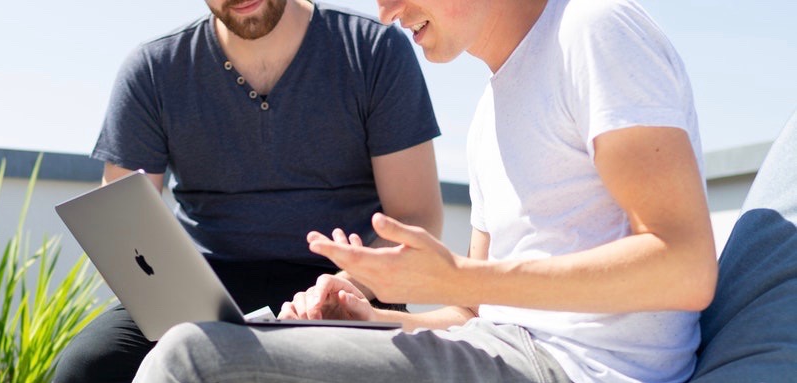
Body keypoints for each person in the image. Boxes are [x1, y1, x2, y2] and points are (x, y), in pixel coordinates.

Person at [135, 0, 718, 382]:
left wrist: (454, 277)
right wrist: (369, 319)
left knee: (194, 359)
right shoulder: (491, 108)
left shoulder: (593, 29)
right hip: (509, 348)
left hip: (580, 369)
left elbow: (686, 268)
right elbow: (474, 313)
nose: (386, 13)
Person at [53, 0, 444, 381]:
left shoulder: (374, 49)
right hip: (205, 287)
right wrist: (170, 298)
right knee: (89, 365)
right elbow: (121, 224)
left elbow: (415, 218)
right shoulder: (154, 69)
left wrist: (347, 284)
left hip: (346, 282)